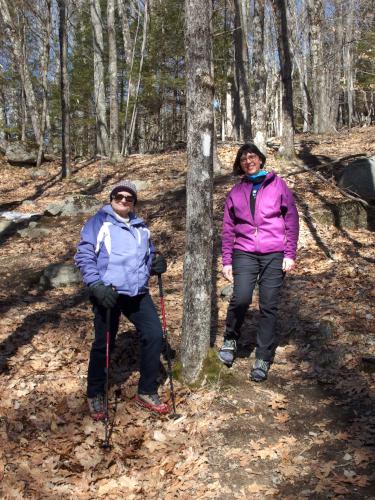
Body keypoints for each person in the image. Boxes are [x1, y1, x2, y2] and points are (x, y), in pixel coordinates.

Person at [75, 180, 170, 420]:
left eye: (129, 198)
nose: (124, 200)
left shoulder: (141, 226)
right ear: (111, 198)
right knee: (104, 343)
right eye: (119, 196)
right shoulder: (99, 222)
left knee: (155, 335)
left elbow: (148, 255)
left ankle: (147, 391)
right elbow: (84, 254)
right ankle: (95, 393)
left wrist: (156, 265)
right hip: (108, 293)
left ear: (134, 202)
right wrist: (96, 285)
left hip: (137, 292)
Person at [218, 144, 299, 382]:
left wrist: (289, 253)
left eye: (252, 156)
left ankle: (263, 357)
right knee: (241, 296)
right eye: (243, 159)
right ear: (239, 164)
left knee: (269, 305)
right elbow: (228, 228)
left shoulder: (278, 185)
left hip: (274, 252)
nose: (248, 161)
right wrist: (227, 261)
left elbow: (291, 219)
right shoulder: (235, 191)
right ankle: (231, 339)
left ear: (261, 160)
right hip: (244, 252)